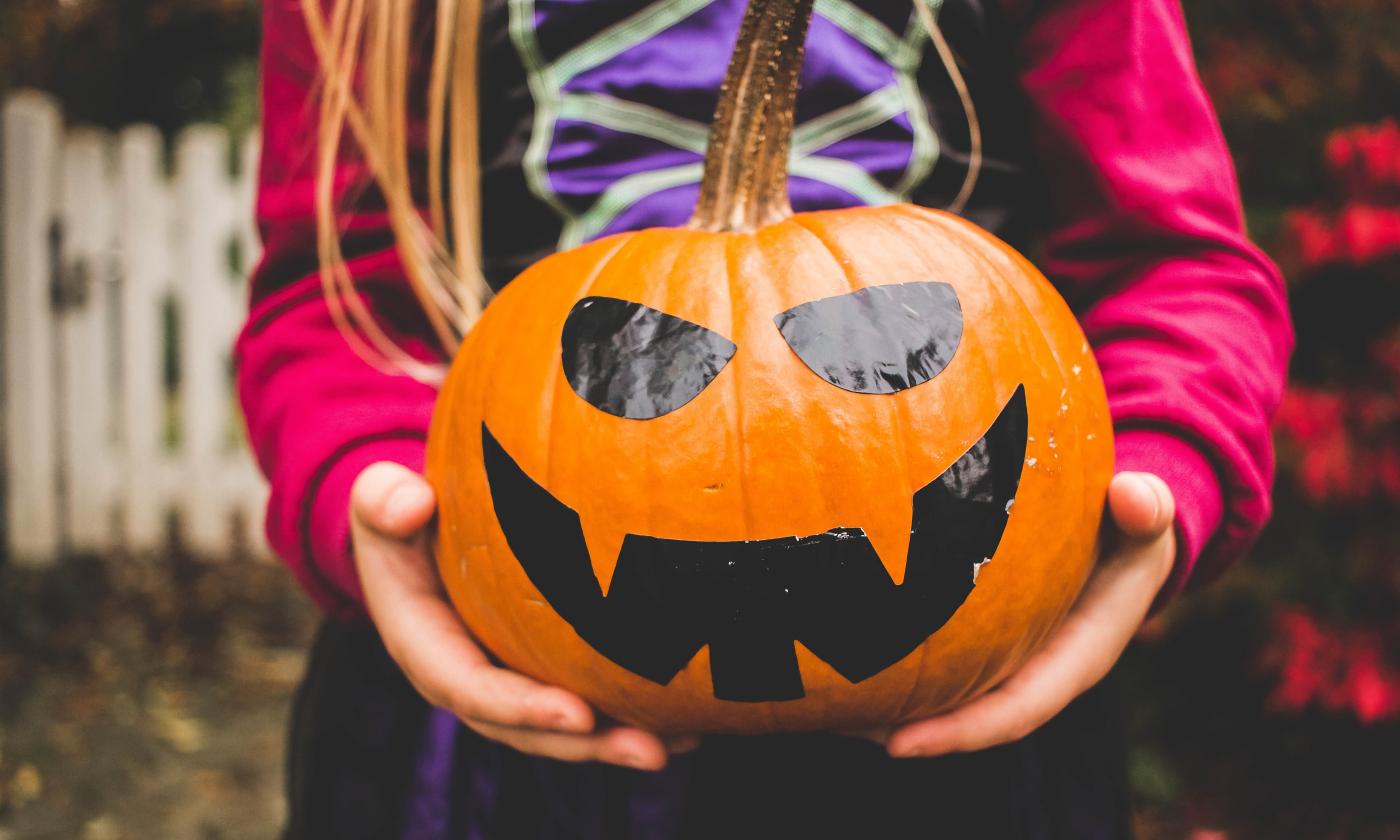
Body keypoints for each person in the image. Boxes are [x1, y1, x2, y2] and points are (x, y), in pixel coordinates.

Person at [237, 0, 1293, 835]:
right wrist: (364, 491)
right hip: (494, 711)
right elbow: (332, 298)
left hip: (966, 711)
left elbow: (1171, 261)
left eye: (883, 347)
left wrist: (1159, 470)